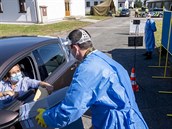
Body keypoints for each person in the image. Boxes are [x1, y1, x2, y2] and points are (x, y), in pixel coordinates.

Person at [35, 28, 149, 129]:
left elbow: (72, 107)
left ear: (75, 48)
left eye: (70, 50)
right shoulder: (104, 59)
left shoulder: (88, 69)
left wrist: (47, 117)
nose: (71, 53)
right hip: (133, 120)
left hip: (116, 124)